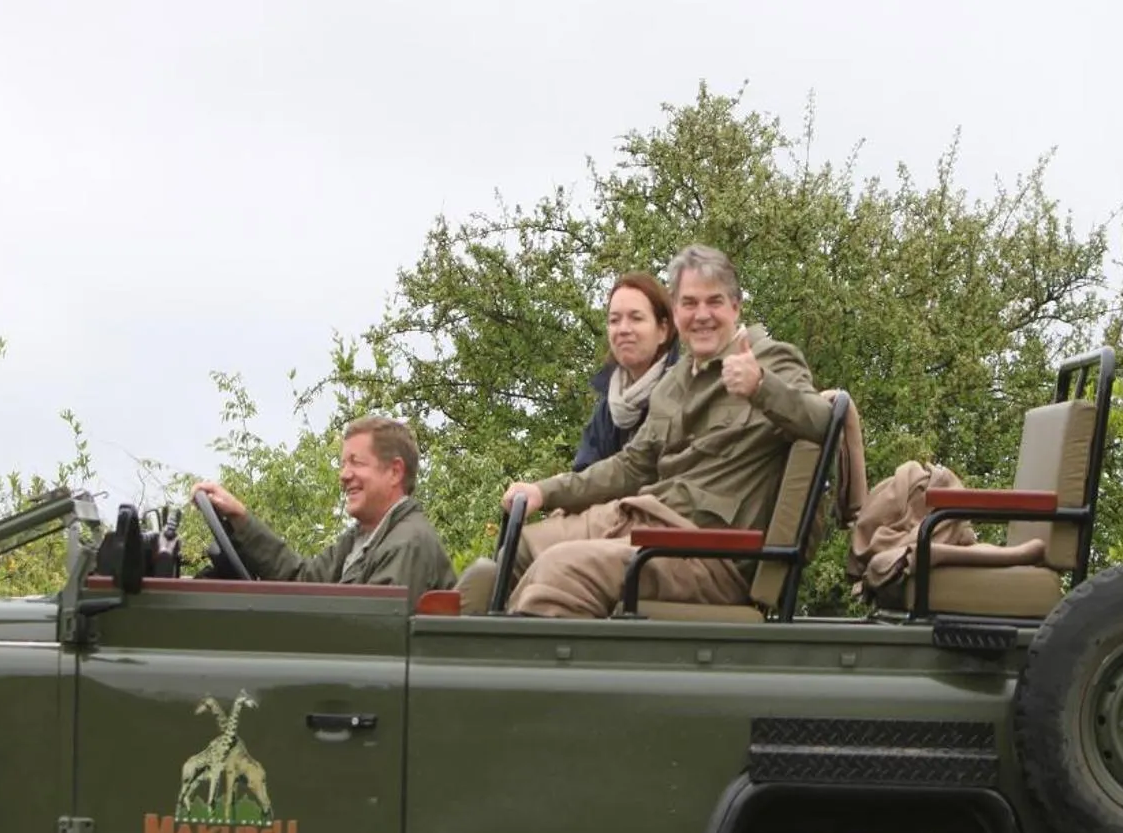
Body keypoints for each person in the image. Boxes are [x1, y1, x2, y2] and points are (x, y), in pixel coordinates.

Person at [491, 243, 832, 617]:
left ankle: (535, 672)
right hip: (649, 522)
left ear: (736, 307)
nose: (702, 315)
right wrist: (544, 491)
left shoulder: (771, 360)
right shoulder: (675, 381)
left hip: (711, 554)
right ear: (675, 311)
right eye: (689, 303)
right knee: (518, 548)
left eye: (714, 302)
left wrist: (761, 386)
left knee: (559, 571)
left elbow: (822, 423)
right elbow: (632, 466)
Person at [193, 415, 455, 600]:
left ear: (395, 471)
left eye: (356, 463)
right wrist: (240, 517)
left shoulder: (406, 544)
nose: (344, 475)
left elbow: (374, 635)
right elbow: (303, 581)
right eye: (343, 464)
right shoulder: (364, 538)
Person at [574, 271, 681, 471]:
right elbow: (584, 475)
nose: (623, 329)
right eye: (614, 320)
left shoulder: (685, 391)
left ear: (663, 330)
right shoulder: (609, 405)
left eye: (636, 318)